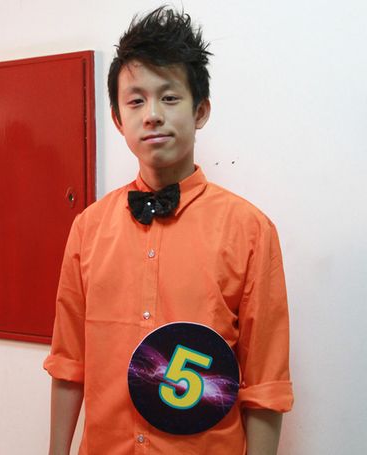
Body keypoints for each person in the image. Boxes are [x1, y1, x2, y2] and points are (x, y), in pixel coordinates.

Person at [44, 6, 293, 455]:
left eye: (170, 97)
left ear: (201, 110)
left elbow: (266, 385)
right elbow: (68, 363)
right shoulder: (87, 229)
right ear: (118, 119)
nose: (152, 115)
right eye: (136, 101)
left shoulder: (251, 231)